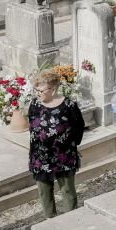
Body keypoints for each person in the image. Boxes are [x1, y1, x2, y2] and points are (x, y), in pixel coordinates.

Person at [25, 70, 86, 219]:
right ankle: (50, 221)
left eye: (41, 90)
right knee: (44, 192)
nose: (38, 93)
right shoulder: (34, 104)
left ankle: (71, 220)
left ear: (53, 90)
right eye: (36, 90)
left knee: (67, 191)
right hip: (41, 157)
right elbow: (32, 127)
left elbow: (79, 126)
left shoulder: (69, 105)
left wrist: (70, 145)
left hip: (63, 156)